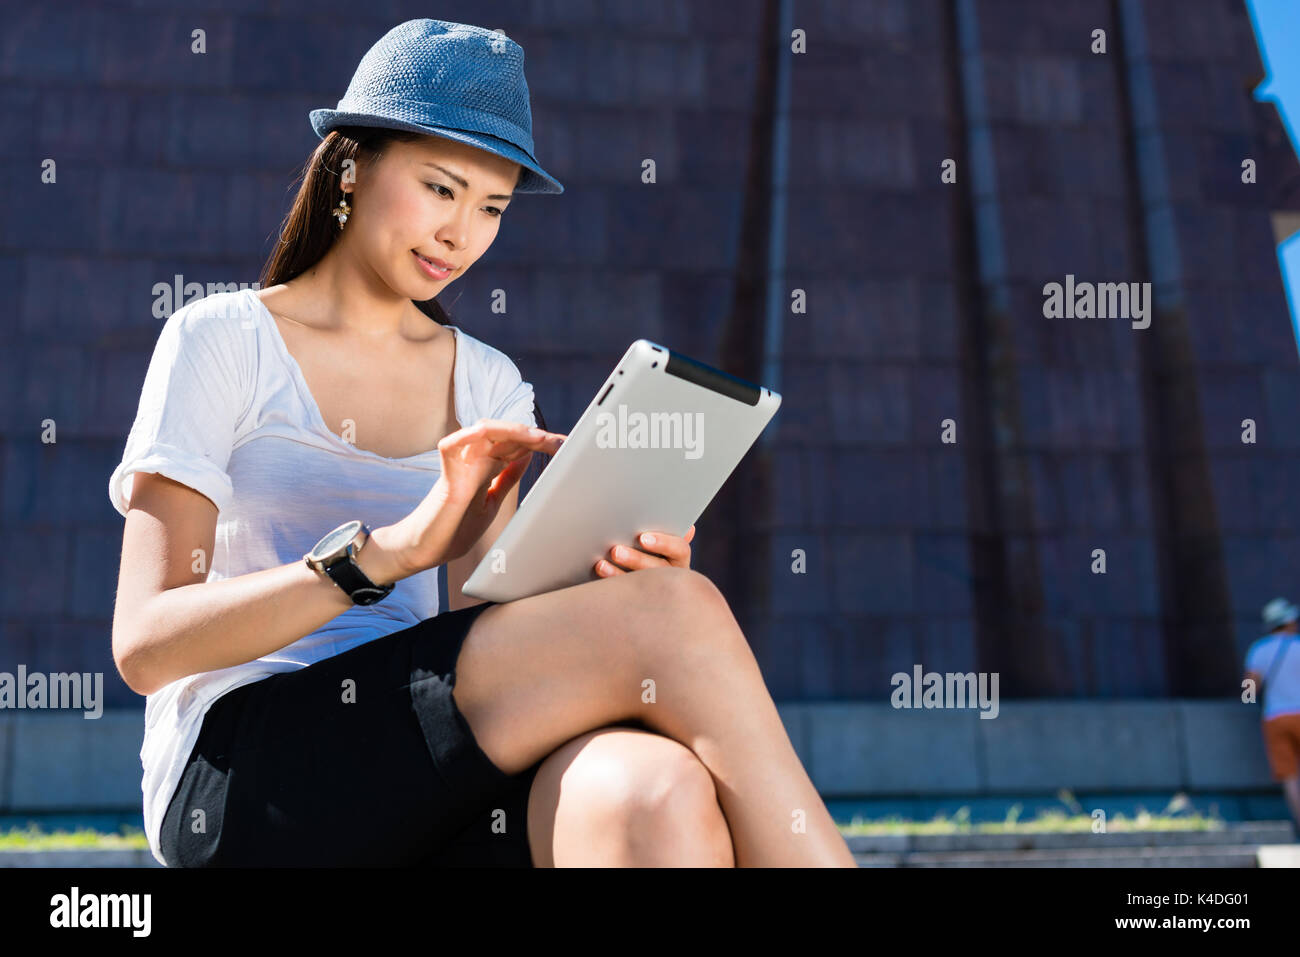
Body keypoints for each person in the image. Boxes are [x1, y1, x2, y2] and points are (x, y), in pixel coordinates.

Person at [108, 18, 856, 868]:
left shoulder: (488, 381)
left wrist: (608, 589)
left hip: (435, 774)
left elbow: (478, 639)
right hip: (246, 777)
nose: (461, 232)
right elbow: (145, 646)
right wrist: (384, 555)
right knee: (675, 617)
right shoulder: (221, 338)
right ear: (352, 166)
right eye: (440, 188)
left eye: (492, 205)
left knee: (651, 787)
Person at [1244, 597, 1300, 838]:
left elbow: (1249, 686)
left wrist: (1248, 702)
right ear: (1287, 621)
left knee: (1289, 776)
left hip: (1275, 717)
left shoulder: (1259, 650)